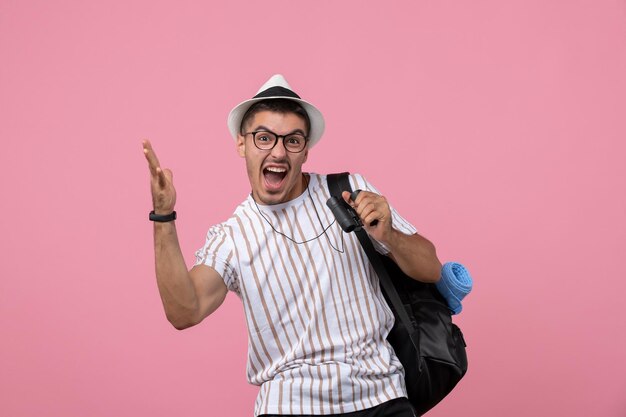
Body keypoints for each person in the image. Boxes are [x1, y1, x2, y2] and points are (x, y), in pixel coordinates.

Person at [142, 74, 441, 417]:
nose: (278, 152)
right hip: (290, 406)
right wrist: (163, 216)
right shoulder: (233, 236)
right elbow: (185, 311)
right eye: (264, 138)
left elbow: (431, 269)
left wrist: (389, 235)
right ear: (242, 145)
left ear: (306, 149)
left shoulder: (348, 192)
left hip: (381, 399)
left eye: (293, 140)